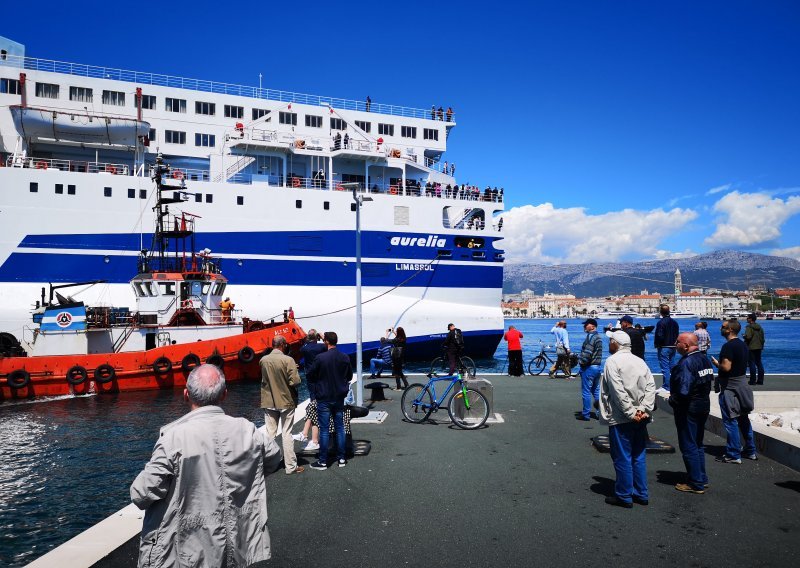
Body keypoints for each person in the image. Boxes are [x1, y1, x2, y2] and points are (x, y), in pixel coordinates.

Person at [131, 364, 281, 567]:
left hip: (185, 549)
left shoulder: (173, 438)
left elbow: (141, 494)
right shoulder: (248, 430)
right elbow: (273, 458)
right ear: (225, 394)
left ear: (186, 395)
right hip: (234, 543)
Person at [598, 331, 656, 508]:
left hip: (621, 416)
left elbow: (617, 391)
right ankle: (641, 492)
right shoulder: (640, 361)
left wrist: (630, 412)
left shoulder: (612, 361)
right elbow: (651, 386)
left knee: (622, 456)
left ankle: (624, 495)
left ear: (616, 344)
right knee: (638, 455)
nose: (609, 344)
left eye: (610, 341)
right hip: (642, 416)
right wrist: (643, 409)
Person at [669, 332, 714, 494]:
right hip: (703, 404)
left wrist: (672, 401)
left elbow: (683, 390)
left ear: (686, 346)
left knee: (688, 444)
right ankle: (701, 477)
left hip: (688, 408)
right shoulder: (704, 359)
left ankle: (696, 483)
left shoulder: (686, 363)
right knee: (698, 443)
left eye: (678, 342)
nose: (675, 344)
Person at [710, 319, 757, 464]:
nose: (720, 329)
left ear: (730, 330)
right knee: (744, 419)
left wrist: (717, 363)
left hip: (730, 387)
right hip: (743, 385)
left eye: (723, 327)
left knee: (730, 421)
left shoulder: (728, 347)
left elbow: (726, 367)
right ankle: (750, 450)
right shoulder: (743, 345)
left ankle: (733, 454)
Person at [306, 331, 352, 469]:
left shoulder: (320, 358)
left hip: (324, 397)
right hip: (339, 397)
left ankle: (323, 461)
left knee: (324, 430)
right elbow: (349, 376)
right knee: (340, 428)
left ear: (326, 341)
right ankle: (342, 458)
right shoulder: (344, 357)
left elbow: (310, 375)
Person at [260, 336, 304, 475]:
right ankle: (290, 466)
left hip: (269, 400)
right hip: (286, 400)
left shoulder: (263, 360)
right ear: (283, 345)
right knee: (287, 434)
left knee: (270, 434)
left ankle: (268, 464)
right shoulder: (288, 360)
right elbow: (295, 382)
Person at [294, 330, 327, 450]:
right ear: (317, 337)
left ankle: (307, 435)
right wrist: (322, 337)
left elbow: (302, 348)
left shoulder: (304, 348)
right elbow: (330, 346)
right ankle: (307, 435)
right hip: (321, 378)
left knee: (313, 404)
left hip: (310, 378)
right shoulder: (322, 347)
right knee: (314, 405)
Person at [577, 318, 603, 421]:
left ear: (592, 326)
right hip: (597, 367)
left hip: (589, 367)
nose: (584, 326)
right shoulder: (598, 337)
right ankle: (600, 413)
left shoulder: (591, 337)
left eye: (586, 325)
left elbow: (588, 353)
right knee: (596, 391)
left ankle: (586, 414)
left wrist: (581, 363)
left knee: (586, 391)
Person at [654, 303, 680, 391]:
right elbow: (677, 334)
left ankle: (666, 386)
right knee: (672, 366)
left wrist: (657, 344)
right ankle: (674, 385)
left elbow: (660, 335)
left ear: (661, 312)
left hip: (664, 346)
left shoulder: (661, 323)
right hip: (673, 346)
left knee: (664, 367)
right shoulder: (675, 322)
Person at [744, 313, 765, 385]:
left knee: (751, 363)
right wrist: (761, 345)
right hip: (759, 347)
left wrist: (744, 336)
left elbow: (748, 337)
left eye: (747, 318)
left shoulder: (749, 327)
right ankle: (760, 380)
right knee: (759, 363)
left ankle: (752, 380)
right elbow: (762, 338)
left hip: (751, 347)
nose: (746, 319)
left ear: (750, 319)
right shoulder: (760, 327)